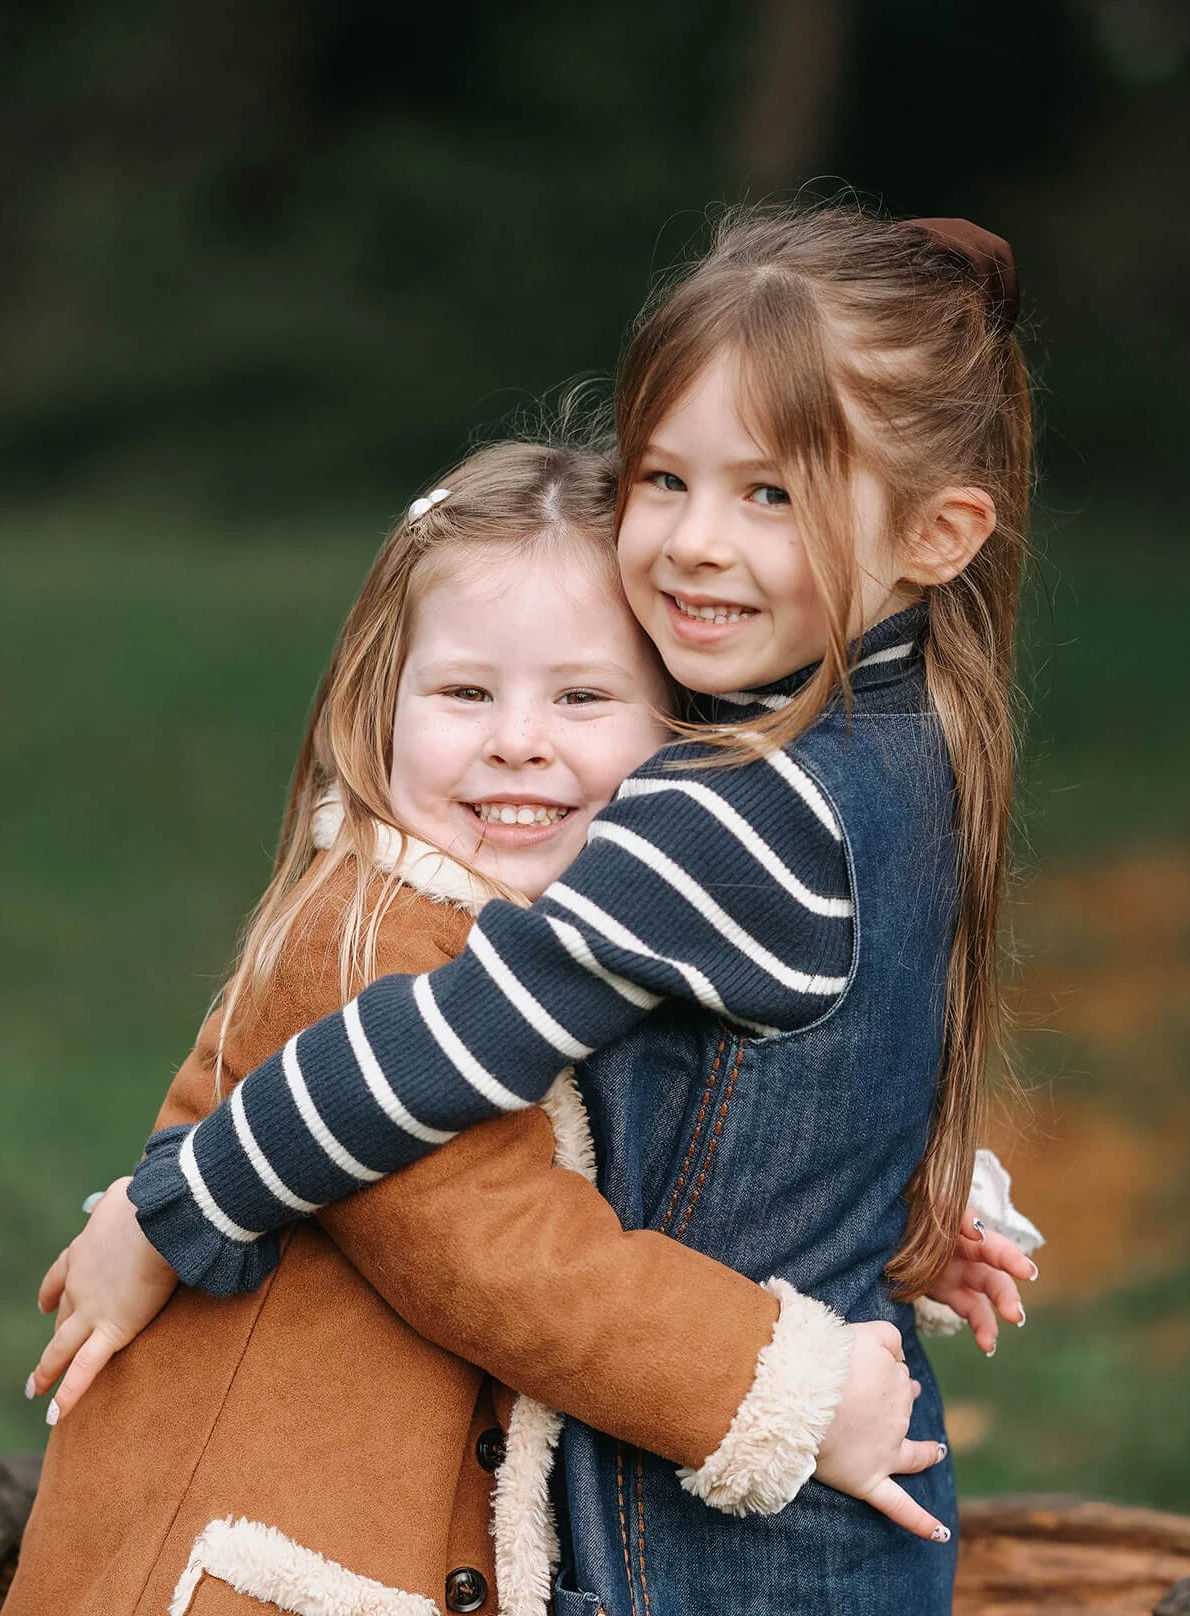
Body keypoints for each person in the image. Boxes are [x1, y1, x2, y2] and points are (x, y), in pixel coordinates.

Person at [29, 202, 1041, 1613]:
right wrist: (893, 1203)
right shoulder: (900, 738)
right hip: (796, 1484)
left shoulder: (729, 807)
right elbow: (638, 1070)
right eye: (665, 477)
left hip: (727, 1536)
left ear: (938, 532)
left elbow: (459, 1057)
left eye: (772, 494)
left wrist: (176, 1201)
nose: (697, 543)